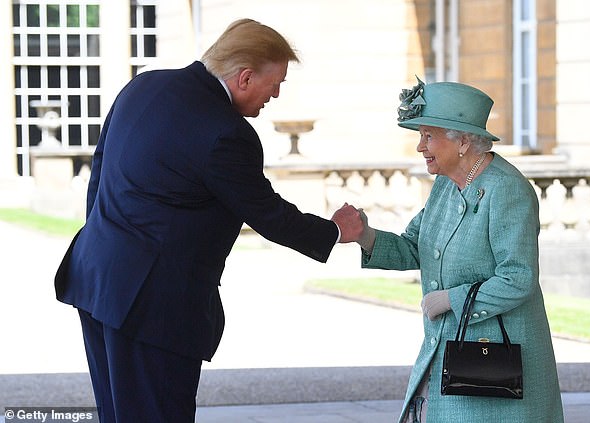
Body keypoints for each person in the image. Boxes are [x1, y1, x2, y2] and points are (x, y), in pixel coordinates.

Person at [54, 18, 363, 423]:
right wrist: (337, 230)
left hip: (96, 277)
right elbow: (268, 213)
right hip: (153, 306)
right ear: (246, 76)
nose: (277, 93)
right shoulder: (226, 133)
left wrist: (106, 237)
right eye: (277, 82)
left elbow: (100, 171)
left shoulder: (143, 85)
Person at [351, 78, 564, 422]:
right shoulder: (445, 187)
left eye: (428, 136)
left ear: (463, 141)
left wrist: (453, 298)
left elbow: (518, 278)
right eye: (420, 136)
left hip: (494, 361)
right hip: (449, 353)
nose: (420, 147)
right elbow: (413, 247)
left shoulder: (507, 190)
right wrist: (366, 235)